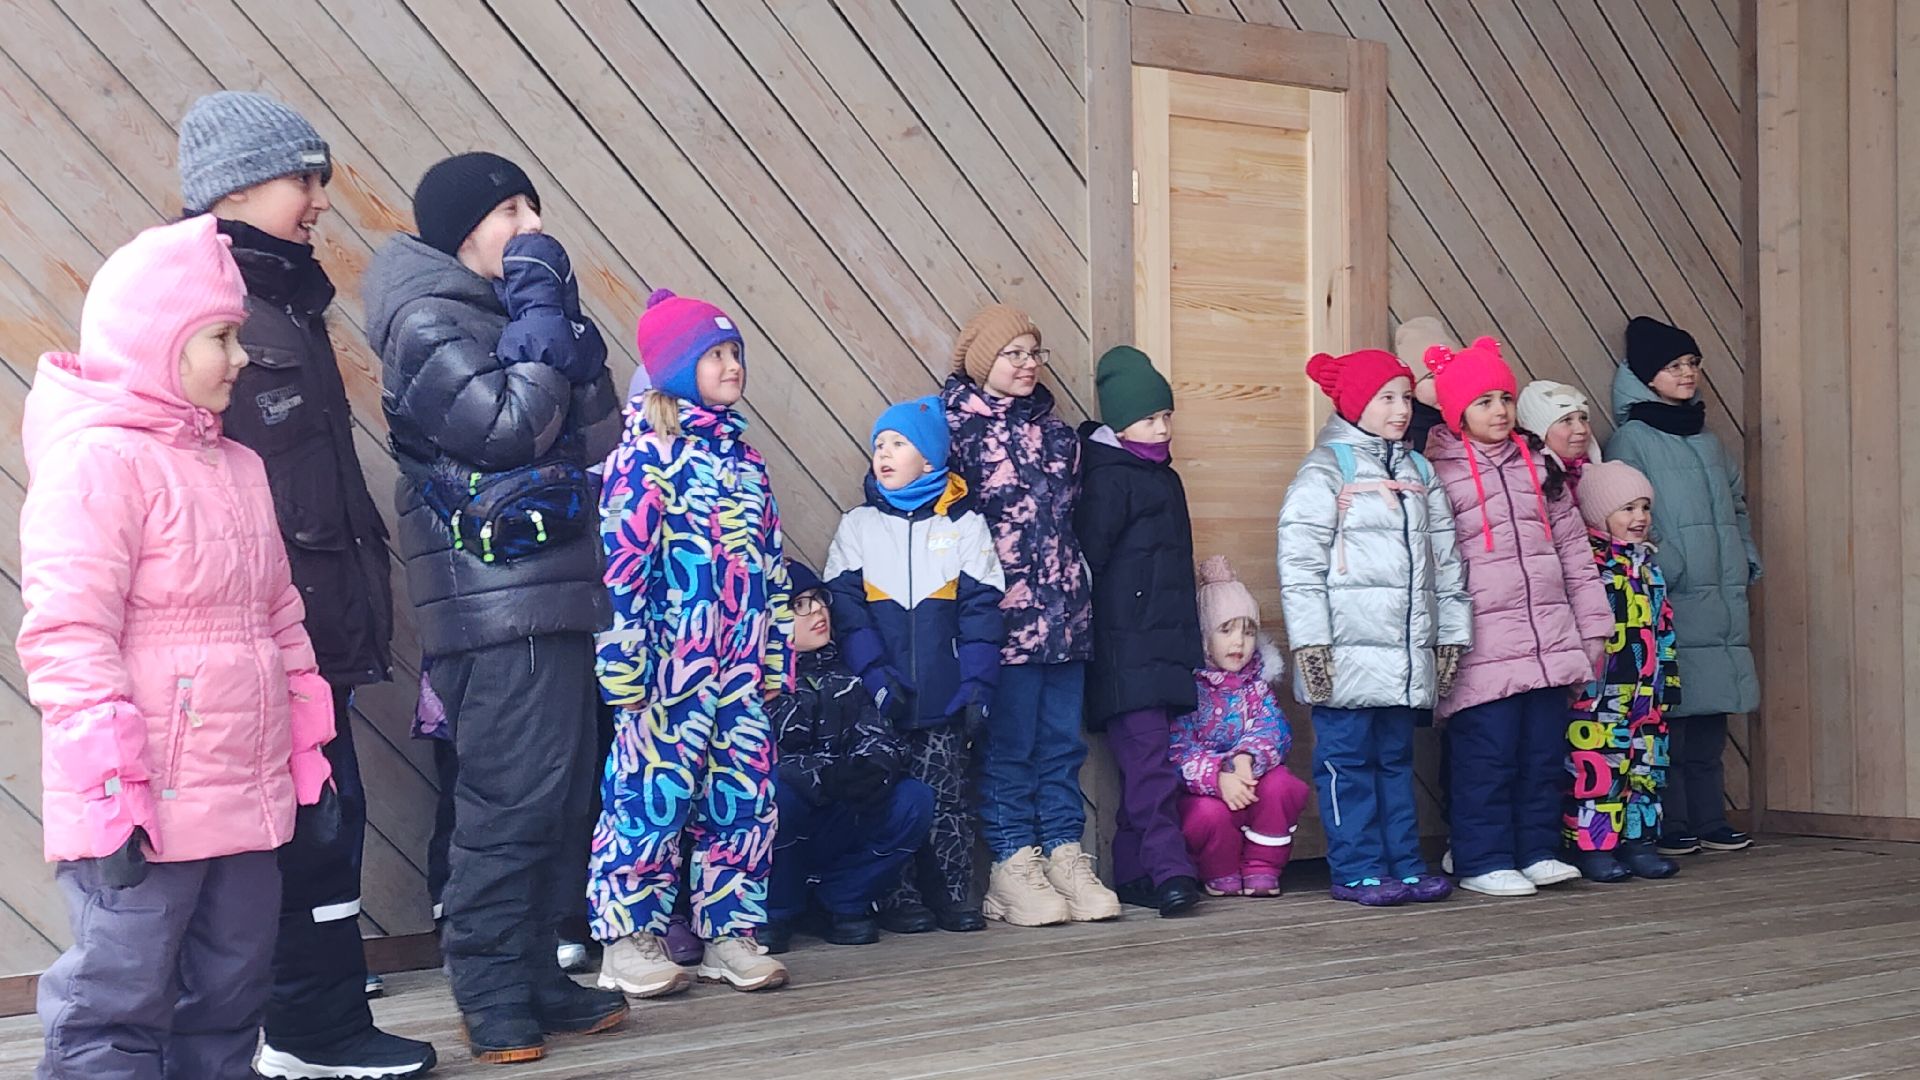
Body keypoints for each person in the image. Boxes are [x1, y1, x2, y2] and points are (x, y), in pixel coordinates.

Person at [21, 216, 337, 1079]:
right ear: (157, 345)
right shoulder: (98, 465)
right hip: (144, 802)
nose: (241, 357)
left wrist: (307, 761)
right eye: (220, 337)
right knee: (120, 995)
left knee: (232, 990)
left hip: (245, 794)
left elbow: (279, 618)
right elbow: (68, 633)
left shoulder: (236, 467)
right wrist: (110, 788)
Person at [174, 90, 435, 1080]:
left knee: (328, 823)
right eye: (304, 178)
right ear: (236, 187)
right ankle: (303, 1030)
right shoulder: (210, 303)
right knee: (304, 831)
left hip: (311, 623)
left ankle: (309, 1027)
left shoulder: (283, 299)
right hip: (253, 633)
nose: (322, 198)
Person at [363, 151, 625, 1063]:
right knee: (507, 800)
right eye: (506, 210)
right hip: (492, 598)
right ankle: (485, 990)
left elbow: (595, 436)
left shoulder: (506, 312)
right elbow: (507, 428)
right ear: (458, 230)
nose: (528, 225)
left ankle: (538, 978)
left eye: (532, 207)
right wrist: (542, 319)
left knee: (559, 800)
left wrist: (565, 330)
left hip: (549, 588)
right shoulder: (427, 319)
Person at [591, 288, 794, 997]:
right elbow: (621, 570)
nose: (732, 365)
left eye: (736, 352)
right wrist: (623, 662)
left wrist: (775, 656)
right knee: (651, 796)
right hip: (666, 672)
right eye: (715, 355)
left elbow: (770, 568)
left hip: (739, 672)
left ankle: (730, 932)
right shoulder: (645, 458)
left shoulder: (747, 464)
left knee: (743, 799)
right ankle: (628, 936)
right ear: (676, 368)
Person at [941, 305, 1119, 926]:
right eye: (1013, 353)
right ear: (985, 359)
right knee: (1009, 747)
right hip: (1002, 620)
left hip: (1065, 614)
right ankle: (1013, 863)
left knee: (1060, 745)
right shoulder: (954, 431)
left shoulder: (1058, 434)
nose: (1026, 364)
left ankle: (1065, 854)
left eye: (1033, 353)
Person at [1422, 337, 1613, 898]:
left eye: (1504, 398)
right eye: (1483, 402)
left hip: (1548, 640)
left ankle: (1534, 850)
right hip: (1483, 647)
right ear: (1457, 412)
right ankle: (1482, 858)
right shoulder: (1439, 473)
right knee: (1488, 758)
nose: (1499, 412)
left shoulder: (1540, 466)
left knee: (1541, 757)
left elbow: (1575, 552)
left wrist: (1593, 627)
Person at [1278, 349, 1469, 906]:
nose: (1401, 408)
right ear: (1356, 404)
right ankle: (1357, 867)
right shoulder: (1325, 470)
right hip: (1344, 653)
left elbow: (1447, 561)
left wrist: (1451, 634)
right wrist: (1312, 643)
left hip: (1402, 655)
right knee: (1347, 764)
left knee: (1394, 761)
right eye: (1386, 397)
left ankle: (1405, 864)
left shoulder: (1419, 470)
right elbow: (1300, 567)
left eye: (1406, 396)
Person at [824, 396, 1004, 934]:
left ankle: (953, 893)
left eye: (898, 443)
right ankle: (898, 898)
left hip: (943, 700)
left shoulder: (965, 525)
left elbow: (981, 612)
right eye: (879, 444)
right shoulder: (858, 525)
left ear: (928, 458)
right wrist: (875, 677)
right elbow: (848, 613)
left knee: (947, 801)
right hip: (881, 702)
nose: (884, 453)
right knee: (888, 802)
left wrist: (977, 685)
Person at [1605, 316, 1759, 857]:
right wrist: (1666, 566)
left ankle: (1710, 816)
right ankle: (1670, 821)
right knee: (1669, 710)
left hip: (1721, 594)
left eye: (1692, 364)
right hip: (1669, 595)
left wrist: (1744, 558)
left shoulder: (1709, 439)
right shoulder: (1632, 437)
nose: (1687, 374)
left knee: (1713, 711)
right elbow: (1626, 510)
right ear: (1647, 376)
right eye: (1674, 366)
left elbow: (1736, 506)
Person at [1074, 346, 1204, 917]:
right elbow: (1091, 563)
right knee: (1150, 767)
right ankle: (1173, 870)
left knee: (1149, 764)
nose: (1162, 427)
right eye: (1150, 419)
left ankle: (1132, 873)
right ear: (1120, 423)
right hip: (1125, 651)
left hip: (1162, 649)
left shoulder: (1162, 478)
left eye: (1167, 417)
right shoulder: (1109, 479)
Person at [765, 563, 935, 953]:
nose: (818, 613)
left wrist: (874, 768)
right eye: (800, 606)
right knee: (773, 796)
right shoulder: (757, 684)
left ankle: (842, 899)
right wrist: (826, 776)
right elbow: (759, 759)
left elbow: (878, 733)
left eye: (820, 601)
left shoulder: (846, 674)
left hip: (838, 815)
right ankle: (775, 911)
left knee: (913, 799)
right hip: (787, 823)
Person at [1565, 462, 1681, 882]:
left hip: (1646, 694)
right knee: (1599, 769)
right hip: (1601, 694)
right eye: (1627, 508)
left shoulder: (1649, 568)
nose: (1639, 518)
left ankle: (1640, 841)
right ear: (1598, 515)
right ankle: (1594, 846)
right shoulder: (1591, 568)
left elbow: (1663, 626)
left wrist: (1668, 680)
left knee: (1645, 767)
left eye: (1645, 508)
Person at [1169, 558, 1313, 898]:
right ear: (1203, 637)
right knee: (1207, 815)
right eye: (1226, 630)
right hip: (1205, 792)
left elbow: (1273, 729)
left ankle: (1263, 865)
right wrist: (1218, 775)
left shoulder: (1255, 683)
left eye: (1248, 631)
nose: (1239, 642)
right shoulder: (1185, 686)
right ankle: (1219, 870)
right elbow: (1177, 748)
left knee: (1282, 786)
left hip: (1248, 779)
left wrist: (1246, 759)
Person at [1518, 379, 1601, 500]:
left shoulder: (1600, 474)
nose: (1582, 429)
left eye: (1583, 418)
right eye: (1567, 420)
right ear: (1540, 432)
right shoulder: (1535, 485)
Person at [1395, 315, 1455, 455]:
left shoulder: (1468, 412)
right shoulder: (1405, 422)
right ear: (1412, 385)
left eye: (1451, 373)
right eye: (1433, 376)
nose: (1445, 383)